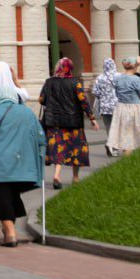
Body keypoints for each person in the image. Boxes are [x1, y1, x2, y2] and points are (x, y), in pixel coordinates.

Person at [0, 71, 44, 247]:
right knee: (9, 197)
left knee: (2, 197)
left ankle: (10, 233)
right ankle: (7, 230)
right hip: (22, 166)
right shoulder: (28, 114)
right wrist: (38, 164)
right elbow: (41, 140)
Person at [38, 57, 99, 188]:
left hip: (54, 122)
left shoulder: (49, 82)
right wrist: (92, 118)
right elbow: (83, 101)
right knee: (76, 149)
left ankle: (57, 175)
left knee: (58, 148)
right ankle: (75, 177)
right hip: (73, 122)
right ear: (70, 68)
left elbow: (41, 99)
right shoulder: (75, 82)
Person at [107, 57, 140, 155]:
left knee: (126, 138)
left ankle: (127, 158)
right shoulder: (136, 79)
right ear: (134, 66)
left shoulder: (118, 78)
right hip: (135, 109)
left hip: (121, 108)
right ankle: (137, 159)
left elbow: (116, 93)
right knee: (139, 136)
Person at [90, 58, 119, 136]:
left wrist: (103, 95)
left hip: (104, 107)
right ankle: (118, 141)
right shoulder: (119, 76)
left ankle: (110, 141)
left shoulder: (100, 78)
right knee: (118, 126)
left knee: (108, 126)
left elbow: (95, 92)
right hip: (118, 106)